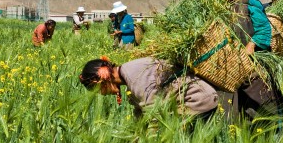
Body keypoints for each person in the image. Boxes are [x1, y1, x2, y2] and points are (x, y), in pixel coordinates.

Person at [205, 0, 283, 131]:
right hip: (231, 69)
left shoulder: (249, 2)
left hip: (254, 67)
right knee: (232, 113)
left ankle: (276, 141)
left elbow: (263, 30)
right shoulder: (215, 8)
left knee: (263, 108)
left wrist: (251, 45)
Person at [79, 56, 218, 120]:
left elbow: (154, 117)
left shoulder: (135, 78)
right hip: (188, 103)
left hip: (196, 101)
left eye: (98, 90)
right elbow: (141, 114)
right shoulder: (128, 78)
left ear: (103, 78)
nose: (102, 95)